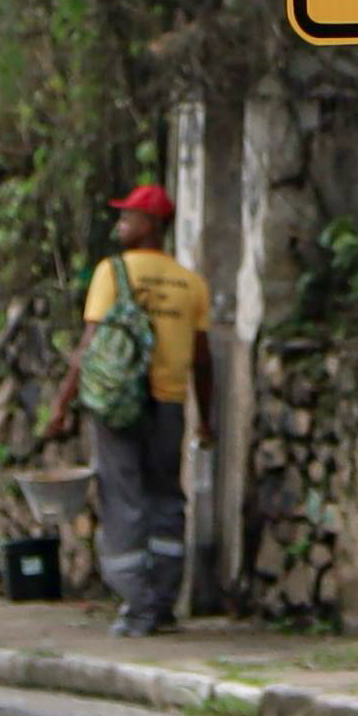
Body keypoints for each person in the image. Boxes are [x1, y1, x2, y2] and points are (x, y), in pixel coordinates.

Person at [43, 182, 214, 637]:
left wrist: (62, 403)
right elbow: (203, 360)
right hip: (170, 405)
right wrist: (206, 419)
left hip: (119, 405)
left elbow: (89, 345)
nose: (120, 223)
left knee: (123, 499)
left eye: (128, 216)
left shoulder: (112, 272)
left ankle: (137, 605)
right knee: (166, 498)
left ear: (151, 225)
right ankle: (163, 602)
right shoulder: (191, 283)